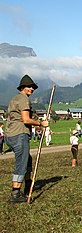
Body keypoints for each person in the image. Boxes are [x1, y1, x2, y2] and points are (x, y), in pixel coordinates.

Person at [4, 75, 49, 203]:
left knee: (27, 159)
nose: (32, 89)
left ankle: (28, 184)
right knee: (21, 163)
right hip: (19, 134)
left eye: (33, 87)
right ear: (23, 87)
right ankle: (15, 194)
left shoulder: (14, 99)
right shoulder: (23, 99)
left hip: (10, 134)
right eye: (29, 87)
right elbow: (26, 120)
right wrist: (41, 123)